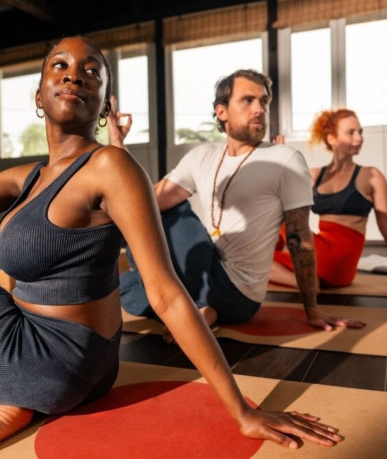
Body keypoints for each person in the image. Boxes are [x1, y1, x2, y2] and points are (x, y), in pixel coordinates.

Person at [0, 16, 344, 458]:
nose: (74, 74)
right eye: (59, 66)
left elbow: (166, 292)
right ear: (39, 96)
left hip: (51, 360)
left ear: (103, 105)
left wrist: (240, 411)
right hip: (82, 367)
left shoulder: (110, 166)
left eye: (91, 71)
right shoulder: (27, 177)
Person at [115, 69, 366, 343]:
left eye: (263, 102)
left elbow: (299, 238)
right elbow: (143, 200)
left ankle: (183, 304)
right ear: (221, 111)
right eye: (248, 100)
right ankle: (199, 310)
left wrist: (312, 310)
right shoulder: (202, 155)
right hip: (205, 279)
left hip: (239, 295)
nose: (259, 109)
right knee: (125, 287)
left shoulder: (284, 159)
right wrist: (118, 145)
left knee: (170, 215)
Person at [269, 109, 387, 290]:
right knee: (279, 218)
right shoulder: (315, 175)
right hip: (335, 265)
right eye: (351, 133)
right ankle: (306, 280)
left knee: (257, 256)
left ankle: (302, 279)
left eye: (360, 132)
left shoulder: (370, 175)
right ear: (332, 138)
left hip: (338, 258)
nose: (359, 138)